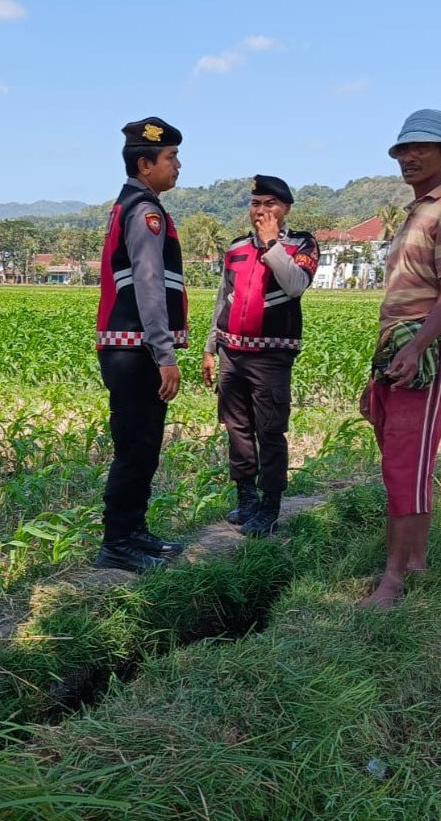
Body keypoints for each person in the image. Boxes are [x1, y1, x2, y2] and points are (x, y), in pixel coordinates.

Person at [358, 109, 441, 609]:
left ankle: (393, 582)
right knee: (402, 456)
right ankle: (414, 563)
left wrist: (415, 348)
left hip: (431, 346)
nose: (408, 157)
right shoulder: (420, 209)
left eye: (421, 148)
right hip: (403, 344)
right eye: (402, 149)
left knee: (406, 462)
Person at [93, 117, 189, 573]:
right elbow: (149, 285)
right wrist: (164, 354)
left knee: (144, 445)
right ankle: (117, 542)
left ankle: (134, 531)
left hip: (133, 347)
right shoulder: (144, 211)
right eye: (171, 157)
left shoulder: (134, 205)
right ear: (145, 164)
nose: (178, 165)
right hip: (136, 350)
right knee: (135, 447)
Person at [202, 176, 319, 535]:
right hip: (231, 353)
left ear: (286, 209)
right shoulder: (237, 247)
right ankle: (246, 497)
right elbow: (223, 299)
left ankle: (270, 505)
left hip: (271, 356)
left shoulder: (302, 244)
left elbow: (296, 285)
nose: (262, 210)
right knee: (236, 428)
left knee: (269, 430)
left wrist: (271, 244)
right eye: (256, 203)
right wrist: (210, 348)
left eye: (270, 204)